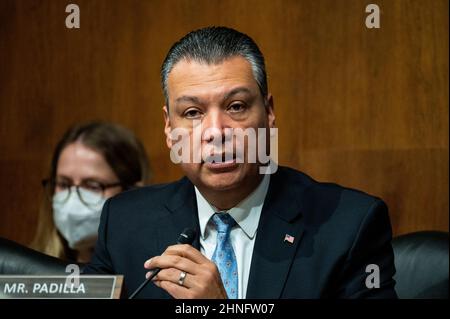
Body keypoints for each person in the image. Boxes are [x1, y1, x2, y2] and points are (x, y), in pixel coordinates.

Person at [84, 27, 397, 298]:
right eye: (193, 113)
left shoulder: (349, 227)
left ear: (269, 112)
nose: (217, 133)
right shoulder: (124, 223)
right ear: (169, 127)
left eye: (236, 106)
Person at [31, 121, 150, 263]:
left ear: (132, 193)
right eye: (64, 184)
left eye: (93, 186)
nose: (73, 201)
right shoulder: (30, 270)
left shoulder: (154, 277)